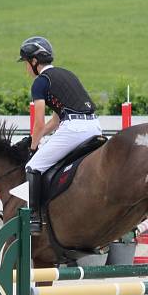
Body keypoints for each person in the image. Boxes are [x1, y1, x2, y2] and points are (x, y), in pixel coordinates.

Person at [18, 36, 102, 233]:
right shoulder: (66, 74)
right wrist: (35, 138)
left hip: (74, 129)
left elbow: (38, 123)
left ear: (34, 61)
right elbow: (55, 122)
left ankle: (34, 218)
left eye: (25, 63)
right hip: (95, 126)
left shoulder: (40, 82)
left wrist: (32, 148)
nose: (25, 69)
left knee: (33, 166)